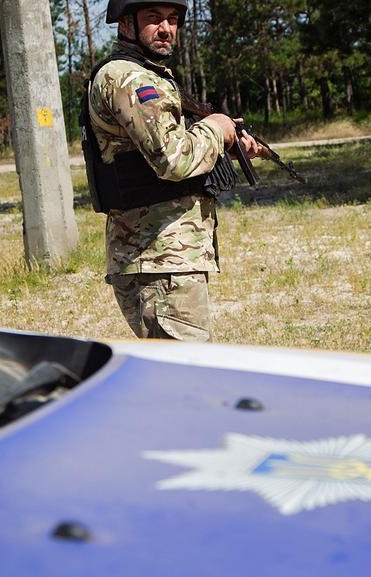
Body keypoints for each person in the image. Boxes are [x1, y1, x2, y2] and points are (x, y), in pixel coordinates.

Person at [84, 0, 263, 341]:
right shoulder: (129, 78)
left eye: (172, 19)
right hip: (157, 259)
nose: (166, 28)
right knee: (186, 383)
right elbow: (172, 159)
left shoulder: (150, 74)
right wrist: (215, 129)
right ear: (125, 24)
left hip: (167, 257)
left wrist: (227, 142)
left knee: (179, 379)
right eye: (153, 18)